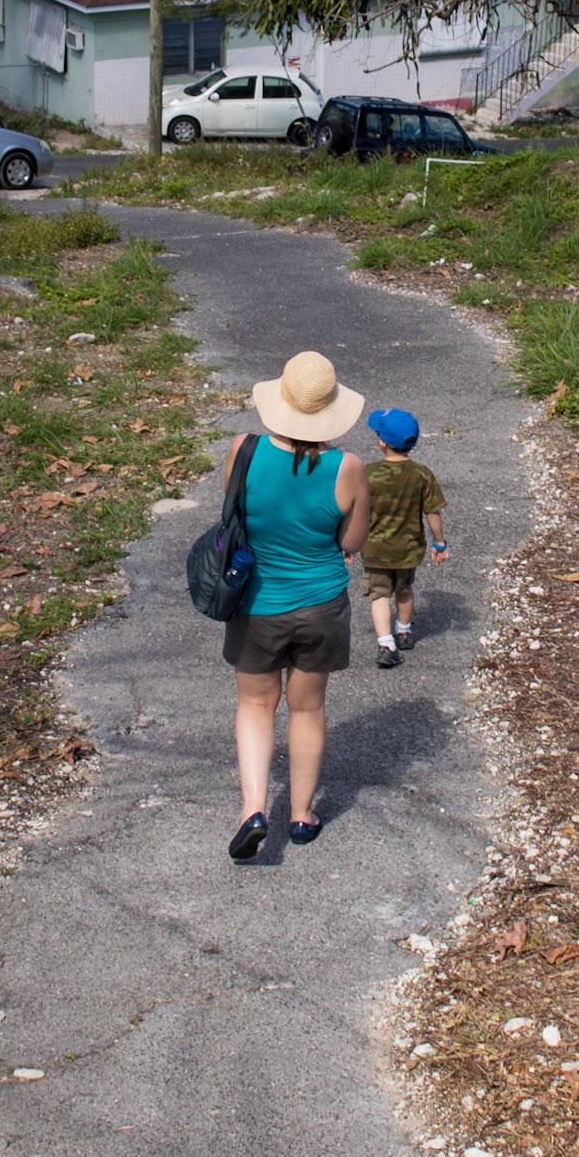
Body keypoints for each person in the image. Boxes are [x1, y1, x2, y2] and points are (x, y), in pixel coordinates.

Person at [222, 350, 369, 863]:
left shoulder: (244, 450)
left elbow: (235, 517)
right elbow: (353, 542)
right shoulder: (347, 467)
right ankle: (303, 815)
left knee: (256, 705)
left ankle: (253, 810)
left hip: (258, 603)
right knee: (307, 707)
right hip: (322, 605)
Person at [362, 405, 447, 668]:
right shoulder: (422, 474)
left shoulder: (368, 473)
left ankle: (386, 643)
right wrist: (439, 542)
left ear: (381, 442)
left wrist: (345, 544)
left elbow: (355, 512)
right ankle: (405, 631)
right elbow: (432, 512)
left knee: (379, 594)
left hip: (375, 548)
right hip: (409, 548)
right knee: (405, 589)